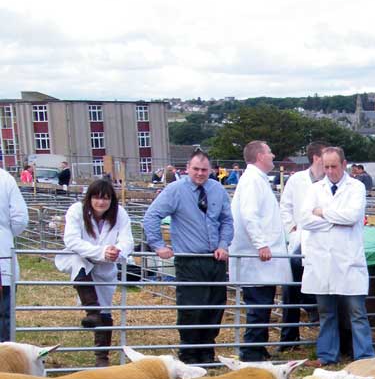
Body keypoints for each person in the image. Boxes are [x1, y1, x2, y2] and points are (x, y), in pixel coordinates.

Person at [142, 150, 233, 364]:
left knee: (215, 306)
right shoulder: (175, 190)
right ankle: (189, 353)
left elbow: (227, 220)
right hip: (190, 259)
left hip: (215, 259)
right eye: (196, 169)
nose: (200, 174)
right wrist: (157, 245)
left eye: (204, 170)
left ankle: (207, 351)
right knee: (192, 308)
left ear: (211, 170)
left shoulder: (217, 189)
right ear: (187, 168)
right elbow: (152, 216)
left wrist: (223, 244)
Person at [299, 146, 374, 366]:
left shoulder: (356, 187)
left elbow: (351, 216)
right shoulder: (314, 189)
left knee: (357, 312)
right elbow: (304, 219)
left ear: (344, 164)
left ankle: (365, 358)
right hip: (322, 261)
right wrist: (334, 221)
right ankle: (327, 356)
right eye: (326, 166)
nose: (330, 171)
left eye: (334, 166)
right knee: (326, 312)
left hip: (348, 260)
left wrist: (322, 213)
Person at [56, 179, 133, 366]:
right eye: (97, 197)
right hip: (81, 258)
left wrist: (117, 251)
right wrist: (100, 252)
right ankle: (91, 311)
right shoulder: (76, 210)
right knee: (78, 264)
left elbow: (127, 240)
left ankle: (102, 357)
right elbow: (71, 240)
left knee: (105, 310)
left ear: (111, 200)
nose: (101, 202)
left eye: (106, 198)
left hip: (106, 267)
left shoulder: (120, 214)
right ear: (89, 198)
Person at [229, 140, 293, 362]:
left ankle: (258, 347)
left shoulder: (256, 180)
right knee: (258, 306)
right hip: (257, 258)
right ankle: (251, 351)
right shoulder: (252, 181)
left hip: (262, 259)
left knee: (263, 305)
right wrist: (261, 244)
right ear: (259, 156)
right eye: (269, 152)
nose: (273, 155)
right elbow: (249, 215)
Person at [279, 141, 326, 345]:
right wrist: (292, 228)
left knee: (323, 288)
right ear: (316, 157)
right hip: (299, 240)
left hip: (323, 241)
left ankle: (323, 336)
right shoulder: (297, 180)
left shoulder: (333, 181)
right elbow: (285, 206)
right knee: (291, 288)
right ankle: (289, 338)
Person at [0, 168, 28, 341]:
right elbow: (20, 219)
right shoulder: (4, 178)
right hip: (3, 254)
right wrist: (5, 233)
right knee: (4, 315)